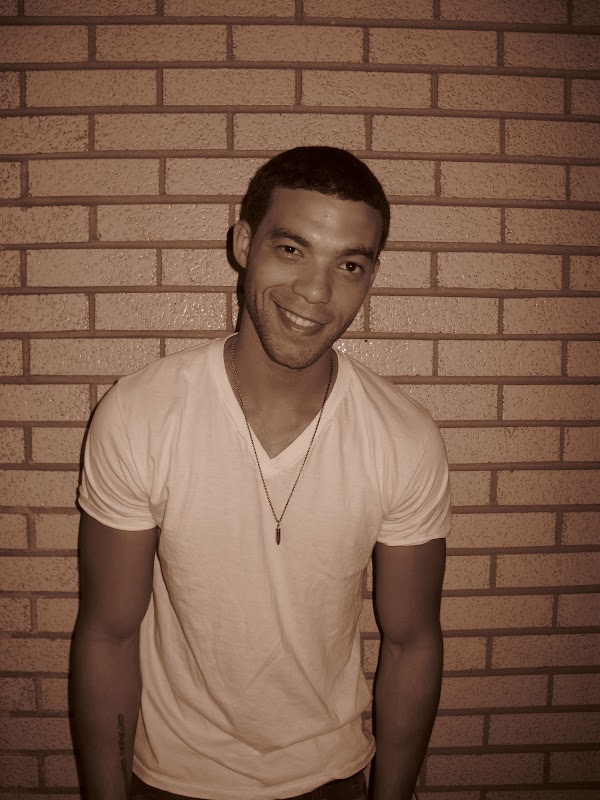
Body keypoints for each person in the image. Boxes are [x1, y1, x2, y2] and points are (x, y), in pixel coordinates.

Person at [72, 146, 451, 800]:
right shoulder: (140, 413)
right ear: (244, 243)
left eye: (350, 265)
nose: (316, 292)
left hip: (331, 776)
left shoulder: (405, 437)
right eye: (292, 249)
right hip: (170, 780)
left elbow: (413, 642)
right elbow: (108, 634)